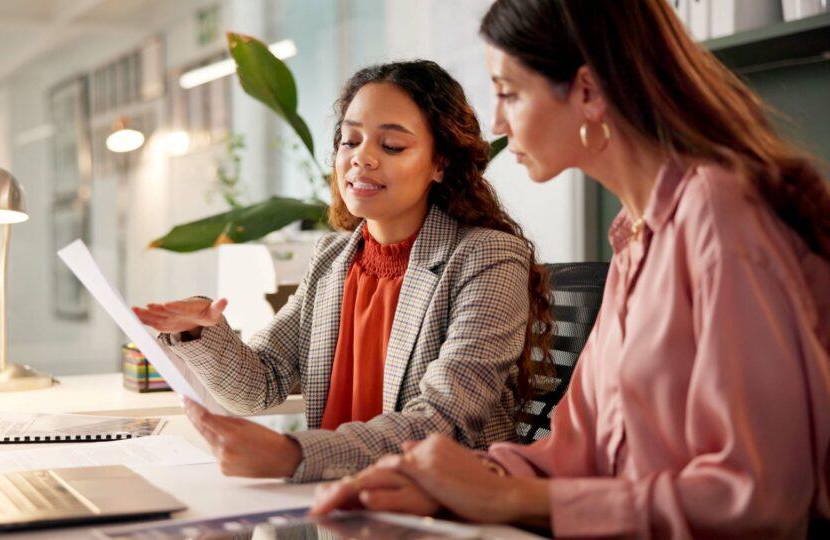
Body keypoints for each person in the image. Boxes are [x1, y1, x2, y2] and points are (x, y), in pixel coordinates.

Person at [311, 0, 830, 537]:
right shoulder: (636, 237)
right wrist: (450, 479)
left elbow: (759, 497)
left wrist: (508, 495)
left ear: (586, 92)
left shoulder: (720, 217)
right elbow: (576, 450)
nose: (496, 121)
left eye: (509, 92)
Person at [133, 60, 552, 483]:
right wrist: (200, 330)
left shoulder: (488, 256)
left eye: (391, 146)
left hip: (436, 508)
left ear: (439, 163)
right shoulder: (333, 257)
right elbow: (261, 384)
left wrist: (291, 454)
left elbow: (442, 421)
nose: (361, 158)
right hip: (335, 502)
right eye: (350, 140)